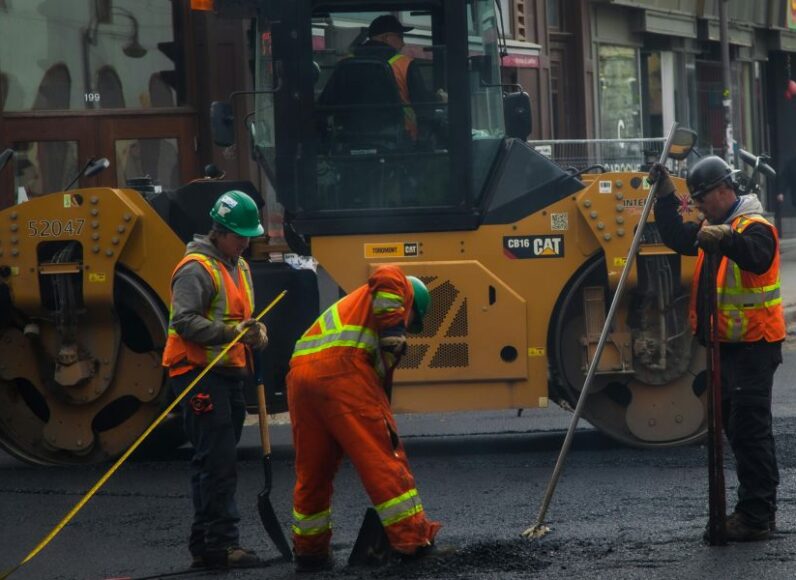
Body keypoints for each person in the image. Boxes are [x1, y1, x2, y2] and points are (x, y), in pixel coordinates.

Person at [650, 156, 784, 542]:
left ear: (724, 191)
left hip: (754, 347)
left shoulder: (755, 227)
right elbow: (677, 237)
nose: (699, 208)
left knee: (750, 431)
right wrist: (665, 197)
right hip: (729, 347)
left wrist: (724, 238)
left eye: (702, 200)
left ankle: (756, 516)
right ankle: (754, 511)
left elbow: (756, 256)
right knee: (737, 429)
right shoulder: (717, 225)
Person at [287, 264, 440, 572]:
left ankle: (310, 552)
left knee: (313, 471)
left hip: (301, 377)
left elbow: (379, 386)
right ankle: (412, 541)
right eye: (411, 322)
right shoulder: (400, 289)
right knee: (382, 457)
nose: (408, 327)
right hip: (341, 371)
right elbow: (388, 273)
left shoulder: (355, 317)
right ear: (410, 306)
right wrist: (394, 329)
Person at [162, 190, 269, 568]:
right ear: (219, 231)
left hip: (226, 371)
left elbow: (238, 317)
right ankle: (221, 545)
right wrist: (231, 334)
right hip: (196, 372)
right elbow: (183, 321)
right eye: (240, 235)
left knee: (216, 459)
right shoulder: (196, 268)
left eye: (248, 235)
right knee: (217, 460)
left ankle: (205, 546)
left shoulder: (237, 265)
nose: (245, 242)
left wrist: (255, 331)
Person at [352, 14, 444, 140]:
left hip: (350, 141)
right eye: (400, 37)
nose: (403, 43)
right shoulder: (404, 64)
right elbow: (423, 105)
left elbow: (326, 104)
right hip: (399, 141)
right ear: (387, 38)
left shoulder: (346, 63)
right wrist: (439, 98)